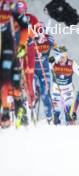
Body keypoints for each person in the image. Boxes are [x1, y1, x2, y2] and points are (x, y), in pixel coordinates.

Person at [0, 0, 28, 128]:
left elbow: (25, 25)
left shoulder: (10, 6)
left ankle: (16, 109)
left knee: (11, 81)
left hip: (8, 49)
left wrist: (22, 44)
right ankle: (6, 112)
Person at [49, 46, 79, 125]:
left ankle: (69, 125)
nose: (61, 60)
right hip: (56, 89)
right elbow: (45, 68)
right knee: (56, 113)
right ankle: (56, 125)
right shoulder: (53, 62)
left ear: (66, 56)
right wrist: (49, 62)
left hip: (67, 89)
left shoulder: (71, 63)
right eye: (60, 57)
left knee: (68, 111)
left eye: (63, 57)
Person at [33, 22, 59, 122]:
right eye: (38, 30)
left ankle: (49, 117)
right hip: (33, 70)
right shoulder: (31, 38)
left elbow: (62, 51)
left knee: (45, 94)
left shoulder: (50, 39)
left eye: (42, 30)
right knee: (33, 91)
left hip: (45, 70)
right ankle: (30, 113)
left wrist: (52, 59)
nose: (40, 33)